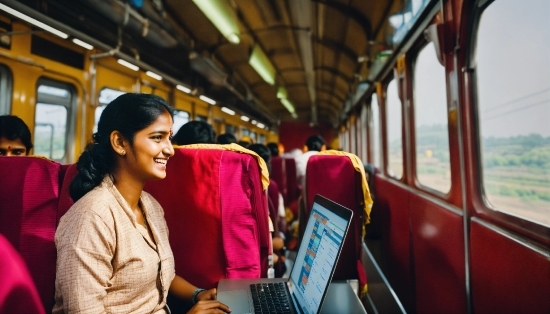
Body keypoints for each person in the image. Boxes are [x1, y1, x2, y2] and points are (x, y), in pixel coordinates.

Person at [54, 94, 229, 314]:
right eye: (157, 138)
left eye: (169, 138)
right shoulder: (91, 218)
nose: (170, 150)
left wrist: (197, 294)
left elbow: (158, 272)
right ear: (120, 142)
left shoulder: (151, 207)